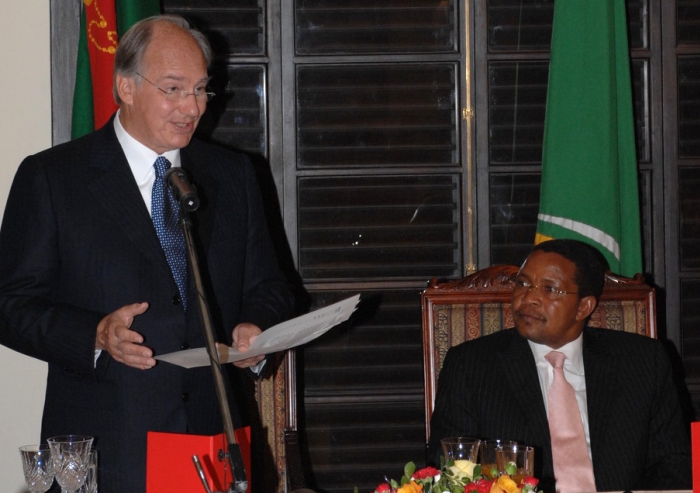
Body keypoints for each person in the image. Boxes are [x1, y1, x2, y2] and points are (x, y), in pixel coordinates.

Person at [0, 15, 294, 492]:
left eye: (201, 89)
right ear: (126, 87)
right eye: (174, 88)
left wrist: (253, 326)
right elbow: (9, 305)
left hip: (212, 442)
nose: (192, 107)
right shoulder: (54, 178)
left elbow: (270, 287)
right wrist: (94, 333)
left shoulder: (233, 175)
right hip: (109, 447)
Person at [428, 239, 692, 492]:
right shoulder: (471, 366)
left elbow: (673, 465)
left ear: (583, 307)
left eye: (549, 289)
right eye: (523, 283)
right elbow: (450, 470)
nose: (528, 298)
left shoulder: (642, 361)